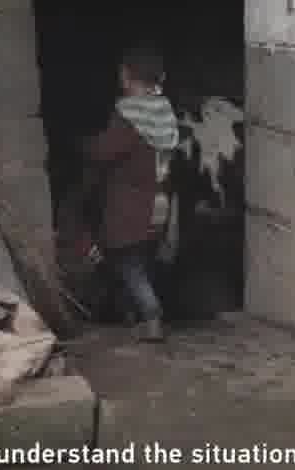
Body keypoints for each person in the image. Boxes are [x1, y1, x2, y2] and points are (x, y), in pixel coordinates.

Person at [79, 44, 179, 342]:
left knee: (126, 263)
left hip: (129, 206)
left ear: (127, 76)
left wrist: (83, 146)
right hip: (158, 202)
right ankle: (134, 316)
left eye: (122, 74)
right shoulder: (163, 111)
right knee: (142, 259)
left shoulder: (129, 114)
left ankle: (151, 314)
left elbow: (107, 150)